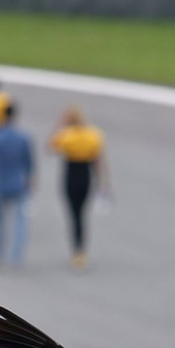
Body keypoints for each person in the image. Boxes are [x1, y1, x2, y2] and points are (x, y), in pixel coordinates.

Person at [48, 106, 111, 270]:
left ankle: (77, 249)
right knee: (81, 214)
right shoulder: (93, 135)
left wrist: (59, 125)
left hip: (71, 174)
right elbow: (99, 160)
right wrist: (103, 183)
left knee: (74, 214)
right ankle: (80, 249)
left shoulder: (66, 135)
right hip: (86, 175)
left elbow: (51, 146)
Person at [0, 103, 34, 268]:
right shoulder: (23, 137)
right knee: (20, 222)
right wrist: (30, 182)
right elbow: (29, 164)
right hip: (18, 184)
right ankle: (16, 256)